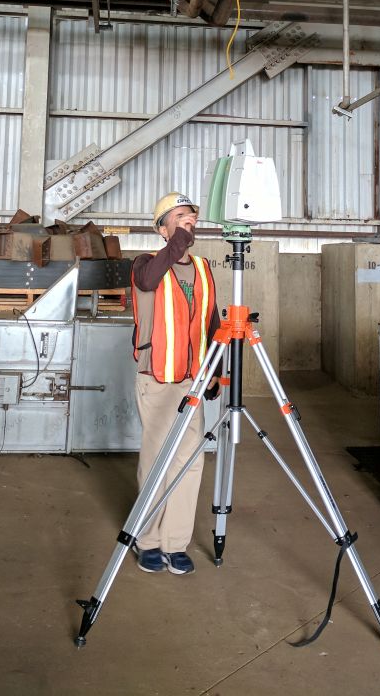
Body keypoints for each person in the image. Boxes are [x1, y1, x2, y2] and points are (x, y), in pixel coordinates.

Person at [130, 192, 220, 575]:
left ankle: (175, 542)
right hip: (157, 378)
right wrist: (177, 241)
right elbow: (150, 282)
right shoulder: (144, 264)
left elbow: (212, 318)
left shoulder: (202, 268)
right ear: (163, 226)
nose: (189, 222)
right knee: (156, 459)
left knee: (189, 462)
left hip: (192, 381)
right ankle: (147, 540)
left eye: (193, 218)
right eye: (181, 216)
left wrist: (215, 368)